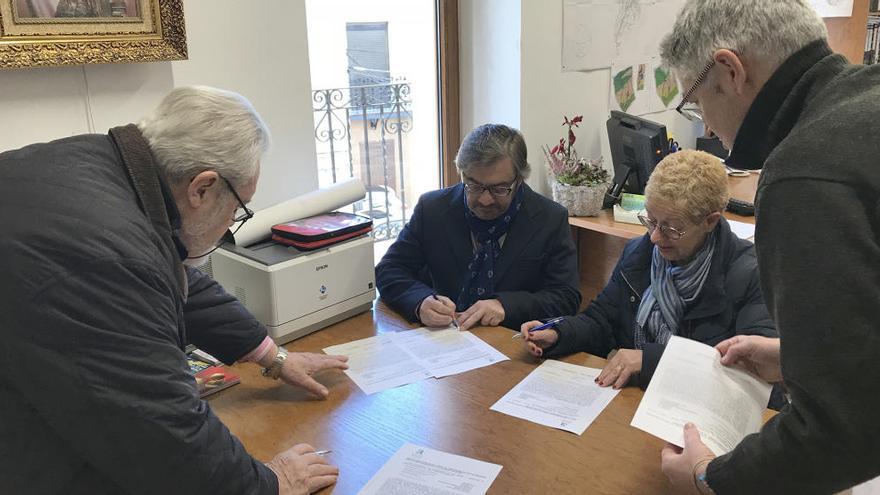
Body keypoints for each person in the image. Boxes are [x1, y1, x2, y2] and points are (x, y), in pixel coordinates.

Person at [0, 86, 350, 495]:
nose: (234, 220)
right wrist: (271, 484)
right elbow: (161, 428)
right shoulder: (106, 251)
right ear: (202, 187)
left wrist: (272, 355)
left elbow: (166, 273)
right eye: (240, 207)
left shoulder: (100, 165)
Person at [656, 1, 880, 493]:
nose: (708, 129)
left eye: (696, 101)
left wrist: (707, 476)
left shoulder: (804, 171)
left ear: (730, 70)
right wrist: (799, 354)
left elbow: (842, 428)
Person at [520, 150, 778, 395]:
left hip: (700, 411)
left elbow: (751, 368)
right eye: (651, 221)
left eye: (672, 228)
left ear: (710, 221)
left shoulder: (752, 273)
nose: (655, 237)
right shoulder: (639, 252)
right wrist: (558, 333)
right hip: (640, 397)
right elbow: (602, 321)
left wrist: (650, 360)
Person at [376, 123, 581, 332]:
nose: (484, 200)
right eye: (473, 186)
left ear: (519, 179)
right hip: (443, 339)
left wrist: (505, 306)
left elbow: (565, 297)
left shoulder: (549, 218)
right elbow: (389, 269)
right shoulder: (432, 209)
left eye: (499, 189)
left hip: (512, 344)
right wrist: (421, 302)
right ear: (462, 174)